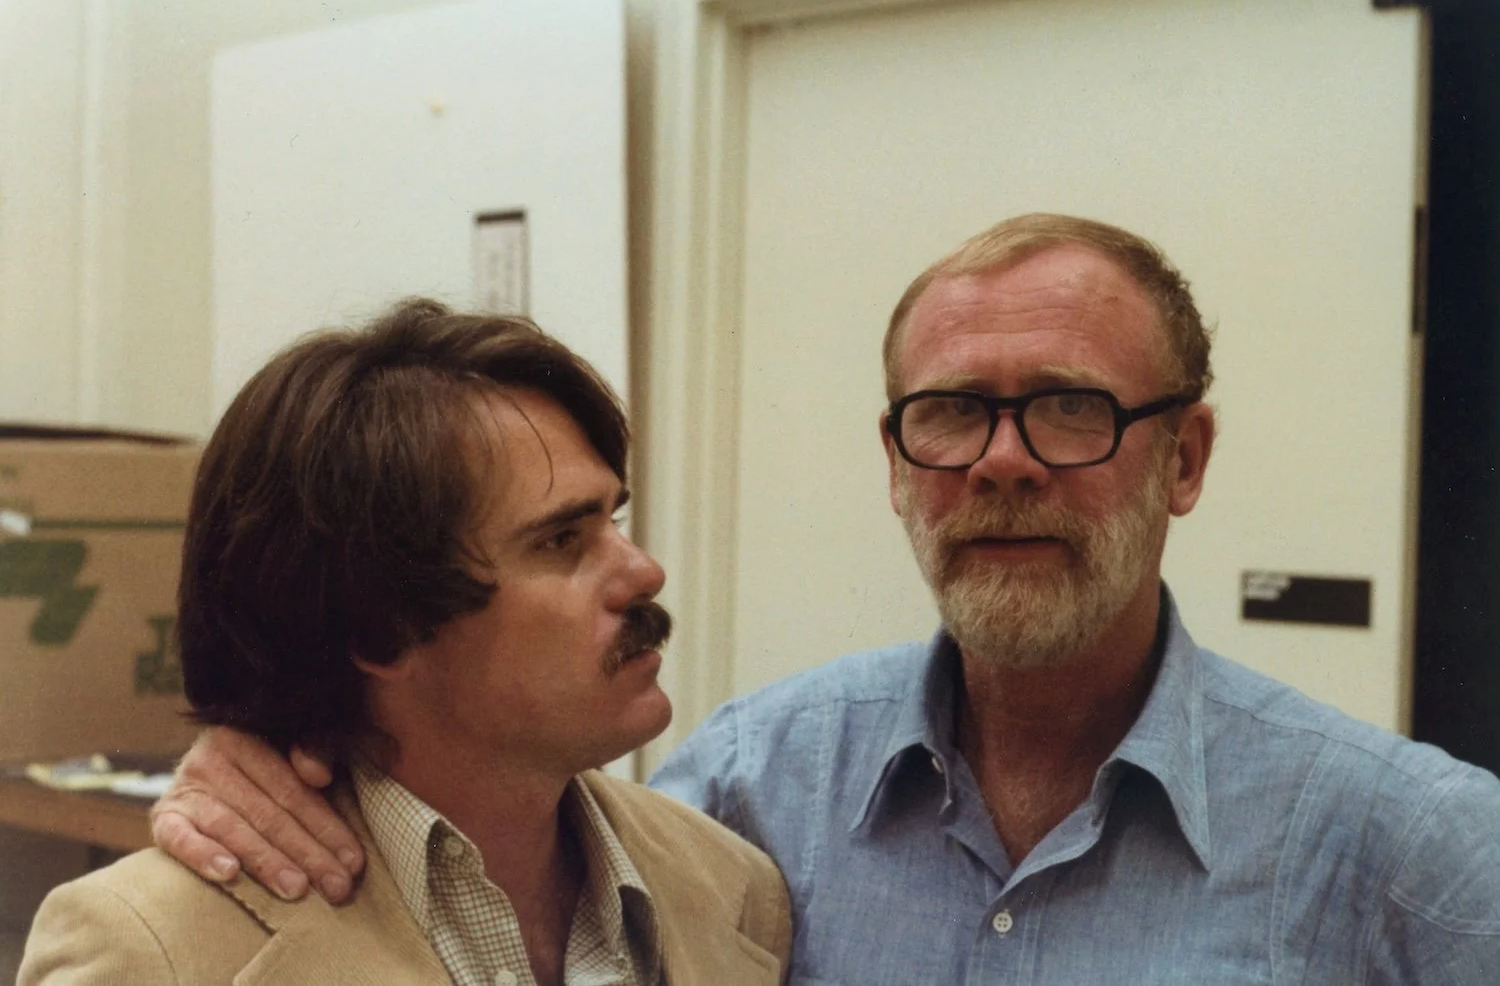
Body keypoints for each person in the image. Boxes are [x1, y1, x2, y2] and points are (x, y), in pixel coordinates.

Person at [147, 216, 1500, 982]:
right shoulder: (745, 794)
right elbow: (453, 812)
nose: (1002, 461)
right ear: (898, 461)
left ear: (1184, 457)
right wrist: (278, 744)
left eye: (1071, 410)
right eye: (952, 413)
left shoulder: (1412, 846)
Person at [18, 301, 790, 985]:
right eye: (560, 540)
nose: (643, 570)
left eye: (611, 522)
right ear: (381, 627)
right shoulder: (148, 950)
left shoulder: (733, 889)